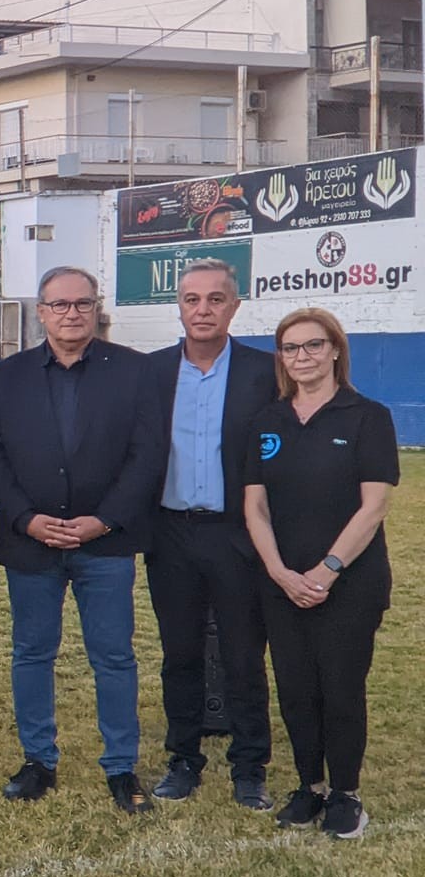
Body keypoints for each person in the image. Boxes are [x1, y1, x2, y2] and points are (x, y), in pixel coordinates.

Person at [0, 266, 167, 814]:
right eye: (59, 305)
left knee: (113, 656)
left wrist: (104, 520)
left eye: (82, 303)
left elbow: (148, 454)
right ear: (41, 312)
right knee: (32, 652)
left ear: (96, 308)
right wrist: (25, 519)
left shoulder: (134, 371)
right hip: (31, 543)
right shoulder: (5, 376)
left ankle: (121, 766)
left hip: (104, 544)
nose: (71, 314)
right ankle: (38, 760)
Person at [243, 308, 398, 839]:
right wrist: (280, 573)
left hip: (349, 582)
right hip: (282, 585)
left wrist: (326, 571)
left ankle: (346, 795)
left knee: (340, 688)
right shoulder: (267, 421)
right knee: (295, 690)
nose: (302, 356)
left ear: (335, 350)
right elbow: (255, 507)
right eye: (291, 348)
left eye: (313, 345)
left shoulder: (367, 416)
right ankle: (310, 787)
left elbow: (373, 507)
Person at [144, 259, 277, 808]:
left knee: (244, 655)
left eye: (215, 299)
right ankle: (183, 758)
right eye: (192, 299)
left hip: (236, 534)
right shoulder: (150, 372)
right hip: (170, 534)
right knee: (180, 654)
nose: (203, 310)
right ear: (178, 306)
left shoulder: (266, 372)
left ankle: (249, 765)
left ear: (234, 306)